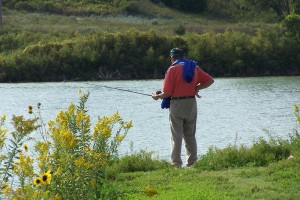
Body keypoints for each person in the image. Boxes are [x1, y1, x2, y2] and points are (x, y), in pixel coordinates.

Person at [152, 48, 214, 168]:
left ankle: (176, 163)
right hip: (191, 103)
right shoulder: (194, 67)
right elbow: (210, 81)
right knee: (190, 135)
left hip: (177, 104)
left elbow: (167, 93)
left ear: (172, 57)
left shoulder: (172, 69)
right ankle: (192, 163)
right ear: (183, 56)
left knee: (176, 135)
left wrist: (157, 96)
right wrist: (196, 88)